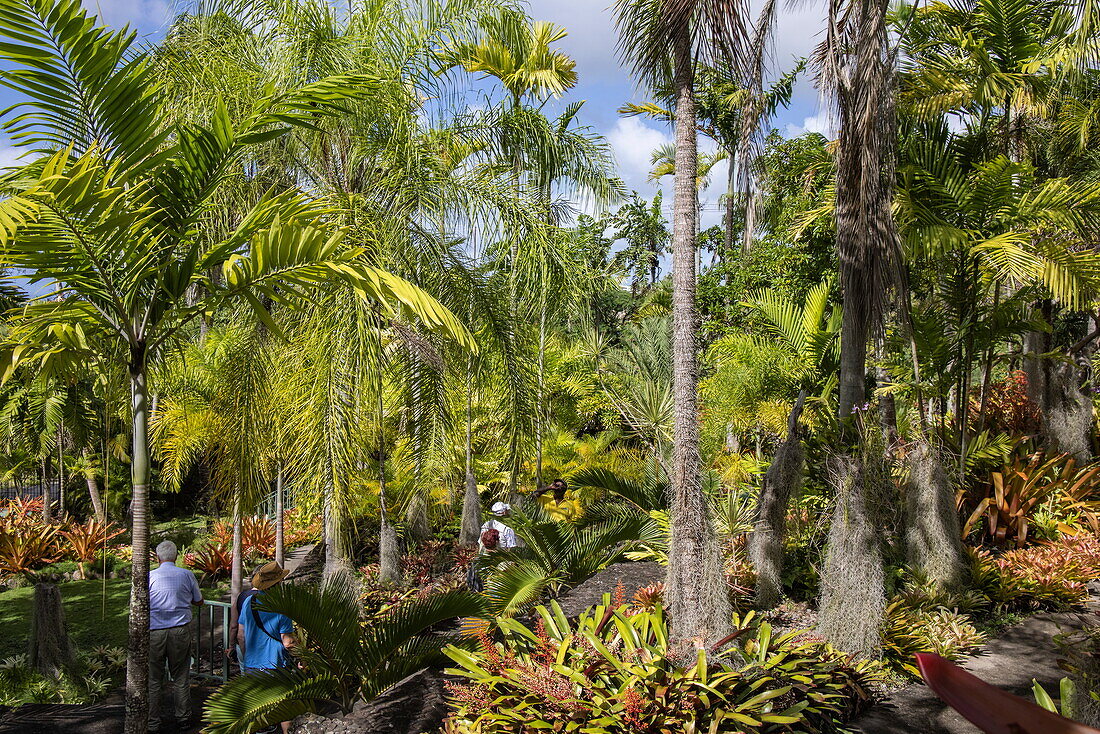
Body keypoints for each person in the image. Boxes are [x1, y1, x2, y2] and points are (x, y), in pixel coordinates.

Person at [148, 540, 204, 733]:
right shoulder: (186, 575)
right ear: (176, 557)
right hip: (179, 630)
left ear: (157, 558)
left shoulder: (149, 577)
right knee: (180, 676)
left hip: (155, 631)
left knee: (154, 678)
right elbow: (199, 600)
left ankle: (152, 721)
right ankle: (183, 719)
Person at [237, 561, 296, 734]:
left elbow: (241, 635)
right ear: (278, 583)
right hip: (277, 665)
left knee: (256, 709)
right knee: (285, 708)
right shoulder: (281, 607)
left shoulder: (249, 601)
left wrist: (249, 657)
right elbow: (288, 642)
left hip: (253, 664)